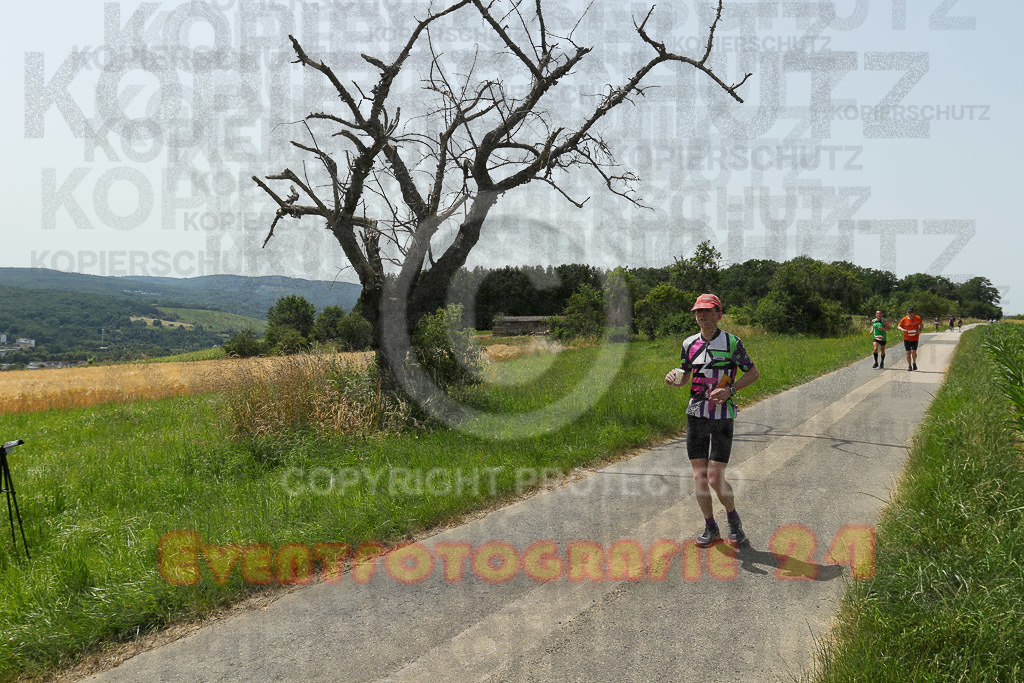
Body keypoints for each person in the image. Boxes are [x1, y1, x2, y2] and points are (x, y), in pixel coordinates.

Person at [665, 293, 759, 548]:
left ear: (719, 314)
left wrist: (731, 390)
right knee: (699, 476)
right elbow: (685, 375)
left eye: (707, 311)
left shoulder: (732, 343)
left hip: (722, 416)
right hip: (696, 414)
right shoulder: (688, 344)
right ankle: (710, 527)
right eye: (698, 311)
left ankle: (733, 520)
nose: (701, 315)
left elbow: (753, 372)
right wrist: (674, 378)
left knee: (716, 476)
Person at [898, 306, 924, 371]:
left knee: (913, 351)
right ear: (907, 313)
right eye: (909, 312)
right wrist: (902, 330)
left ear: (914, 312)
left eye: (912, 312)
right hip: (907, 338)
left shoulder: (918, 318)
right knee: (908, 353)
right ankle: (909, 366)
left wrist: (920, 330)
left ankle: (914, 363)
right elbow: (898, 326)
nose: (910, 313)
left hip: (915, 338)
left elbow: (922, 325)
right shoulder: (904, 319)